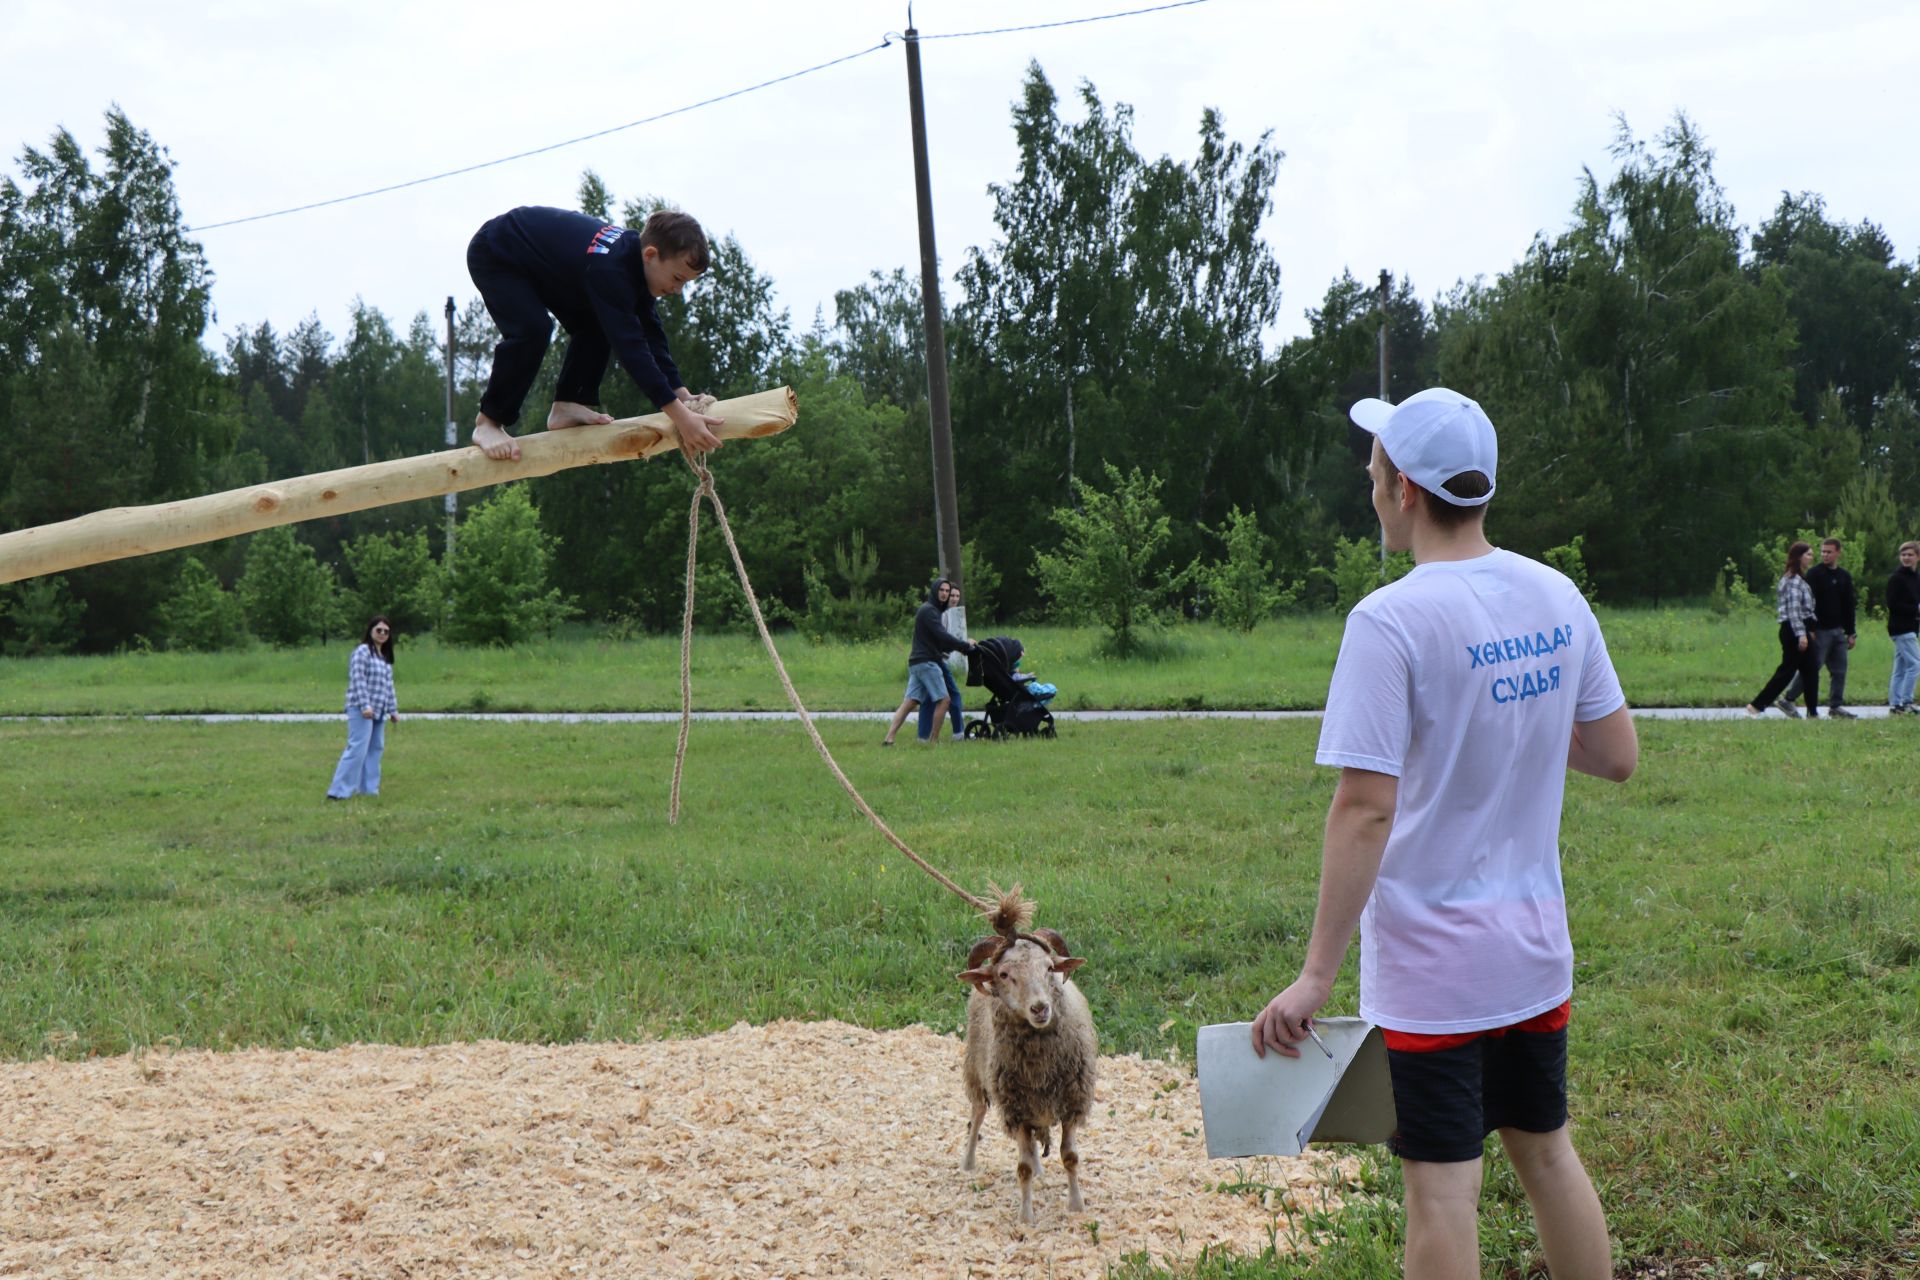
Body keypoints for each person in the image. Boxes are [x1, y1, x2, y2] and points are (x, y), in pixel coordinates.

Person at [1249, 388, 1638, 1280]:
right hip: (1535, 955)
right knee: (1547, 1156)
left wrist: (1317, 976)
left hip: (1433, 975)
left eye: (1375, 469)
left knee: (1442, 1192)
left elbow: (1365, 807)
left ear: (1406, 492)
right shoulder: (1556, 594)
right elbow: (1615, 754)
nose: (1368, 482)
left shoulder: (1390, 621)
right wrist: (1513, 732)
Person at [465, 205, 726, 462]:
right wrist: (681, 418)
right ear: (650, 255)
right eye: (677, 278)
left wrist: (682, 395)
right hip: (498, 252)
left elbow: (651, 336)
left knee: (597, 322)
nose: (678, 290)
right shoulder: (611, 271)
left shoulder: (634, 267)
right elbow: (632, 351)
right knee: (533, 329)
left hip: (542, 264)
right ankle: (488, 421)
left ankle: (568, 403)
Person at [883, 579, 976, 747]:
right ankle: (932, 741)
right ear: (934, 591)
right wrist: (964, 647)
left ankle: (889, 739)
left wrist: (961, 646)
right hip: (927, 663)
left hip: (917, 662)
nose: (945, 594)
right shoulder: (929, 611)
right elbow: (942, 635)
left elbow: (939, 642)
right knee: (944, 700)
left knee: (910, 702)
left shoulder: (933, 611)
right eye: (942, 590)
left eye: (947, 591)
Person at [1777, 537, 1857, 718]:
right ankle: (1788, 699)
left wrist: (1851, 632)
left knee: (1839, 670)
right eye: (1822, 552)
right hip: (1819, 630)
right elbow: (1806, 605)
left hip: (1838, 631)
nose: (1825, 555)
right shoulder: (1814, 574)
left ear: (1838, 552)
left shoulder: (1844, 576)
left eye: (1829, 552)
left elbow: (1848, 605)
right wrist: (1809, 630)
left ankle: (1835, 706)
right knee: (1812, 667)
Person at [1744, 541, 1822, 719]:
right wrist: (1801, 635)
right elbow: (1794, 611)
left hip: (1799, 628)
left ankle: (1813, 712)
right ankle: (1756, 705)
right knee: (1787, 670)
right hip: (1794, 629)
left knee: (1811, 670)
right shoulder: (1793, 580)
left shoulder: (1797, 578)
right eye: (1808, 554)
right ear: (1799, 557)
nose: (1811, 558)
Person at [326, 616, 400, 800]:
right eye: (379, 630)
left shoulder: (384, 657)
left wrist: (393, 709)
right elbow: (358, 679)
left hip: (379, 710)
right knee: (357, 748)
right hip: (361, 709)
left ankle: (369, 790)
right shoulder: (362, 651)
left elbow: (388, 685)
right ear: (370, 631)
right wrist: (365, 706)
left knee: (376, 748)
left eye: (386, 631)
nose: (382, 634)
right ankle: (338, 792)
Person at [917, 582, 968, 741]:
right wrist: (963, 646)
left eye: (956, 596)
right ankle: (958, 733)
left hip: (934, 659)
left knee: (926, 698)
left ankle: (923, 736)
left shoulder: (952, 613)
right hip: (936, 660)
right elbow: (943, 638)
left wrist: (965, 642)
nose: (953, 598)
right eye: (950, 594)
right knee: (951, 695)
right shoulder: (940, 613)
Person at [1887, 540, 1920, 715]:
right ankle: (1906, 701)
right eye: (1903, 555)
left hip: (1911, 627)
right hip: (1900, 628)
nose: (1906, 558)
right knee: (1915, 664)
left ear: (1918, 557)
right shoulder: (1897, 578)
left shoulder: (1916, 577)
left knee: (1900, 667)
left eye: (1910, 555)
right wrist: (1916, 609)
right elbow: (1893, 605)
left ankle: (1895, 704)